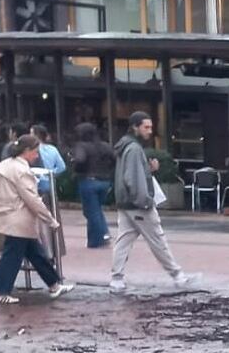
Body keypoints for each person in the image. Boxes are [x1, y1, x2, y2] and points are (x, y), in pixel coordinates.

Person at [110, 112, 199, 293]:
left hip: (127, 203)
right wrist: (145, 201)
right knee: (157, 239)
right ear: (135, 127)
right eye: (146, 127)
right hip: (138, 204)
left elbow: (130, 175)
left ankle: (116, 279)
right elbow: (133, 179)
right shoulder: (134, 148)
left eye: (150, 127)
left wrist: (148, 171)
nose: (150, 131)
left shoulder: (126, 146)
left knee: (124, 241)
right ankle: (178, 276)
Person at [0, 134, 75, 304]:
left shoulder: (5, 165)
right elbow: (33, 200)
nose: (37, 156)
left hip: (8, 215)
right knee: (12, 256)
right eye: (35, 152)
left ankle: (54, 284)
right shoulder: (22, 171)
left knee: (35, 253)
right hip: (19, 218)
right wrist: (50, 220)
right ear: (26, 151)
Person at [69, 122, 115, 248]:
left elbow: (80, 159)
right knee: (96, 209)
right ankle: (94, 240)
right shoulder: (104, 146)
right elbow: (115, 159)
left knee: (91, 211)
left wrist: (75, 168)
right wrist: (108, 172)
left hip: (88, 180)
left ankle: (103, 234)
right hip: (104, 181)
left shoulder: (81, 146)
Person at [31, 125, 67, 201]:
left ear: (36, 136)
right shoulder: (53, 149)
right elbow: (62, 167)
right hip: (50, 184)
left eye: (31, 133)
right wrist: (50, 173)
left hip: (35, 185)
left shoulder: (32, 150)